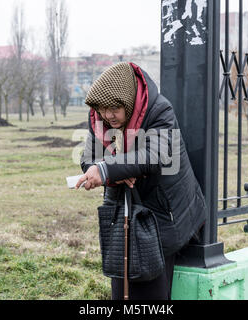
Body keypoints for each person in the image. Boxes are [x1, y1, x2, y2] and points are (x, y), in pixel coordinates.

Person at [76, 62, 207, 300]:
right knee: (121, 277)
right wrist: (113, 171)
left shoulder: (159, 111)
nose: (108, 115)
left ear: (127, 101)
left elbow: (154, 156)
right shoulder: (98, 116)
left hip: (163, 210)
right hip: (122, 210)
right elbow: (89, 159)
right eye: (102, 109)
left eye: (114, 108)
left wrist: (108, 169)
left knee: (150, 284)